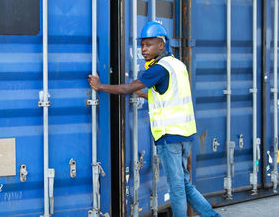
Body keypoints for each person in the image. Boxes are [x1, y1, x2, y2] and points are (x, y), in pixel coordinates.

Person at [88, 22, 220, 217]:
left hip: (170, 137)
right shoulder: (178, 65)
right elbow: (166, 95)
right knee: (184, 183)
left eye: (148, 45)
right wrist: (142, 94)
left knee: (176, 188)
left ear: (161, 44)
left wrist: (100, 87)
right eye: (142, 45)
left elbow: (126, 88)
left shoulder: (158, 69)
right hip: (185, 134)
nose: (143, 50)